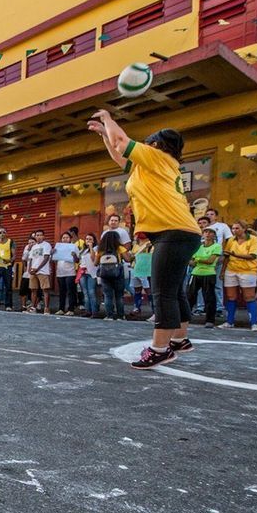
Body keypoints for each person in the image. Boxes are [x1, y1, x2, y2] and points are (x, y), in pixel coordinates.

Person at [89, 111, 200, 369]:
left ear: (156, 145)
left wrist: (107, 117)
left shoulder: (157, 157)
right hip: (181, 232)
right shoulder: (149, 166)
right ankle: (180, 340)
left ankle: (159, 349)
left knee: (162, 293)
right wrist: (105, 134)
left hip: (173, 232)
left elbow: (122, 142)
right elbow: (120, 155)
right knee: (173, 291)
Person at [221, 220, 257, 330]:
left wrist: (236, 255)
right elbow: (227, 256)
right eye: (233, 228)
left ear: (244, 229)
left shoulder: (253, 239)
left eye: (237, 228)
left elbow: (252, 256)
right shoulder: (231, 240)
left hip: (248, 270)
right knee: (231, 297)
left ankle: (254, 323)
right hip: (231, 270)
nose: (234, 230)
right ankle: (229, 321)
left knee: (249, 297)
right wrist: (223, 271)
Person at [187, 228, 222, 327]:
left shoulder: (216, 246)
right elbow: (191, 262)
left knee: (209, 297)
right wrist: (197, 261)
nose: (207, 234)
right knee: (189, 295)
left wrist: (197, 259)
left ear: (214, 235)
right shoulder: (198, 246)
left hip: (209, 273)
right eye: (206, 232)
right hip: (196, 273)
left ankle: (210, 320)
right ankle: (185, 318)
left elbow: (210, 261)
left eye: (210, 232)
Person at [96, 230, 127, 320]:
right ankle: (120, 316)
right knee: (119, 295)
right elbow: (128, 259)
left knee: (107, 295)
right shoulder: (120, 248)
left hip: (104, 275)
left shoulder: (101, 250)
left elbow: (95, 263)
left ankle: (109, 315)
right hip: (118, 274)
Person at [52, 231, 79, 315]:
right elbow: (54, 259)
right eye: (63, 237)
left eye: (67, 237)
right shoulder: (58, 247)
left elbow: (77, 260)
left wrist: (74, 255)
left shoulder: (74, 247)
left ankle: (71, 309)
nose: (65, 239)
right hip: (60, 272)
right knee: (62, 291)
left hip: (70, 272)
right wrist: (52, 253)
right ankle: (61, 309)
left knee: (71, 291)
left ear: (70, 239)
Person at [26, 229, 53, 313]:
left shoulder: (46, 245)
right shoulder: (34, 247)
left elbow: (46, 257)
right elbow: (30, 259)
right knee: (33, 289)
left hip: (42, 270)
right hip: (33, 271)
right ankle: (33, 308)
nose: (38, 237)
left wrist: (38, 268)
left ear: (43, 236)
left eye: (40, 235)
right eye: (37, 235)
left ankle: (46, 308)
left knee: (45, 289)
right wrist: (30, 269)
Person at [129, 236, 152, 318]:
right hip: (135, 267)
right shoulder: (136, 245)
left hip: (144, 269)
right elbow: (131, 257)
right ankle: (137, 308)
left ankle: (154, 310)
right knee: (137, 288)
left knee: (148, 289)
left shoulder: (150, 244)